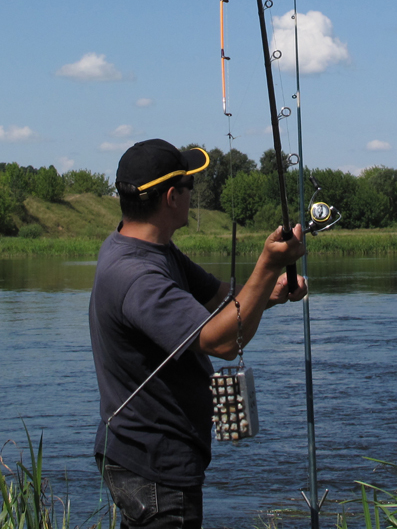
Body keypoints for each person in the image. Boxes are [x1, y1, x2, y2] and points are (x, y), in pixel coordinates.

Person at [89, 138, 307, 529]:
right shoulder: (136, 276)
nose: (194, 195)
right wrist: (268, 261)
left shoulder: (150, 248)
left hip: (145, 457)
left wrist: (269, 289)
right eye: (190, 187)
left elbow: (221, 302)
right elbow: (221, 341)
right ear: (172, 197)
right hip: (155, 467)